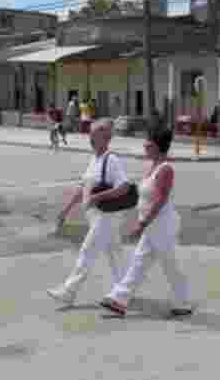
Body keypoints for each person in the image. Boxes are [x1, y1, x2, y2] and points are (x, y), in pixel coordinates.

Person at [101, 127, 191, 318]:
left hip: (162, 225)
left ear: (156, 146)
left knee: (169, 265)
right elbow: (145, 197)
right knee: (140, 262)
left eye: (148, 142)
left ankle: (183, 302)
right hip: (153, 225)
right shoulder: (153, 166)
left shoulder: (165, 169)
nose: (144, 145)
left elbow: (160, 200)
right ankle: (120, 299)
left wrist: (142, 224)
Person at [47, 119, 130, 306]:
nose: (91, 139)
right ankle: (125, 290)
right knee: (114, 253)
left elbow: (124, 186)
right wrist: (66, 210)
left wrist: (98, 197)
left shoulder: (111, 159)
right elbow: (83, 188)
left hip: (106, 216)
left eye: (95, 136)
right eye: (90, 136)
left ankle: (69, 291)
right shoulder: (94, 159)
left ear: (106, 138)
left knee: (87, 251)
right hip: (95, 216)